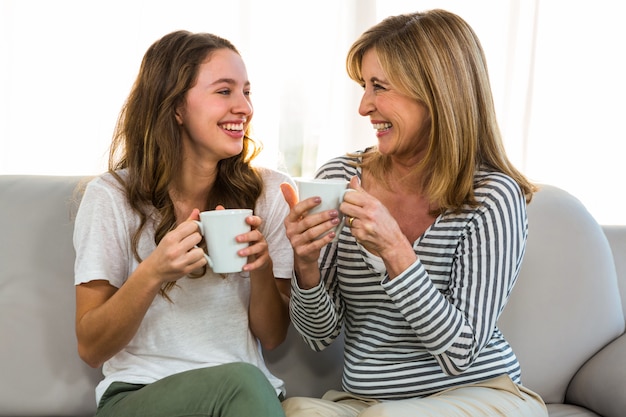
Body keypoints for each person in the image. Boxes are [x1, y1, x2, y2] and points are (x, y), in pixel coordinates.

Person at [280, 9, 548, 417]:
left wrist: (395, 251)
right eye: (363, 86)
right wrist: (306, 265)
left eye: (379, 87)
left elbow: (459, 353)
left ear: (436, 92)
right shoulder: (339, 177)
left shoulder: (492, 196)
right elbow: (320, 336)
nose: (364, 106)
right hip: (368, 402)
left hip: (479, 393)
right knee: (296, 410)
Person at [73, 30, 293, 417]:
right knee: (243, 382)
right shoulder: (111, 196)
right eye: (224, 91)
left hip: (246, 397)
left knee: (245, 382)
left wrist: (262, 269)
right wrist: (153, 271)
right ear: (176, 107)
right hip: (140, 395)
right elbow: (91, 347)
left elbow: (273, 337)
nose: (244, 107)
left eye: (247, 91)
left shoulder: (271, 193)